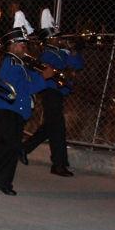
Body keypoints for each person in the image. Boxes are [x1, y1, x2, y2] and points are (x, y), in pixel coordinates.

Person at [0, 11, 54, 196]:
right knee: (8, 146)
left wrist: (39, 73)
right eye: (22, 45)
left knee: (12, 148)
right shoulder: (12, 64)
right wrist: (43, 77)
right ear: (13, 47)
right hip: (7, 111)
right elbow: (23, 88)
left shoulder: (20, 64)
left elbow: (29, 82)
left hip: (16, 111)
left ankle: (3, 180)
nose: (26, 47)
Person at [20, 9, 84, 177]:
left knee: (51, 126)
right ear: (49, 39)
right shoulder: (47, 55)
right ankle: (58, 164)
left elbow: (78, 65)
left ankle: (23, 148)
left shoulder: (63, 52)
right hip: (51, 92)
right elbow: (62, 69)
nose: (61, 39)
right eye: (57, 37)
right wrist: (71, 56)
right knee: (58, 128)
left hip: (60, 93)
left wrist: (75, 52)